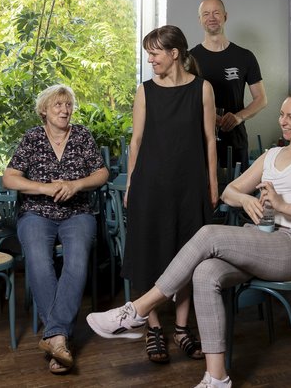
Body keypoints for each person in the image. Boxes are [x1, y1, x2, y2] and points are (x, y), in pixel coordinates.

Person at [87, 91, 291, 388]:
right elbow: (229, 192)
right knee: (205, 271)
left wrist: (283, 206)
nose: (283, 121)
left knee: (209, 233)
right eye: (281, 114)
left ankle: (136, 310)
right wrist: (246, 201)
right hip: (262, 240)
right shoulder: (272, 155)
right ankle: (217, 377)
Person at [121, 25, 218, 364]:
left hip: (190, 187)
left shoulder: (203, 89)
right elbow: (136, 142)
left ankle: (181, 329)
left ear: (174, 53)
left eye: (155, 52)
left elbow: (209, 140)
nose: (151, 59)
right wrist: (131, 185)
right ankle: (154, 329)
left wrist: (212, 186)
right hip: (150, 186)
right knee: (150, 255)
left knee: (188, 259)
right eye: (149, 53)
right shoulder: (145, 91)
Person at [3, 84, 108, 374]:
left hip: (78, 213)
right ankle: (60, 338)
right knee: (38, 260)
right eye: (57, 105)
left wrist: (76, 185)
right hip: (36, 213)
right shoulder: (32, 138)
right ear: (44, 111)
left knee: (77, 261)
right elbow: (9, 178)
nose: (64, 110)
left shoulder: (83, 136)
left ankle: (54, 337)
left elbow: (101, 172)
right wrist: (43, 188)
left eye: (68, 105)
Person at [191, 0, 267, 170]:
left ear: (225, 16)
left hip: (235, 139)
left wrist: (238, 117)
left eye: (216, 13)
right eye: (206, 14)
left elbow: (261, 99)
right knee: (204, 195)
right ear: (200, 20)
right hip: (200, 140)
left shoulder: (245, 56)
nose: (211, 17)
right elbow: (185, 100)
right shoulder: (190, 59)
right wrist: (211, 116)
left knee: (236, 194)